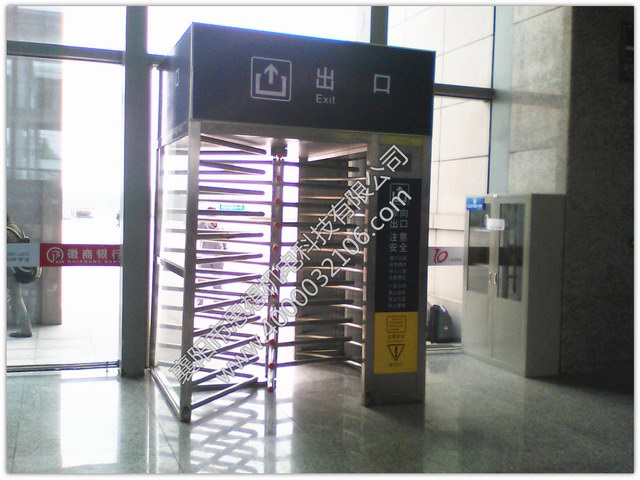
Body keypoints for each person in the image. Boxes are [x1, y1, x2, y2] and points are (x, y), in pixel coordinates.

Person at [6, 216, 33, 338]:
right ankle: (25, 328)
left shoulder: (6, 232)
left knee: (15, 299)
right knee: (15, 298)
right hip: (15, 269)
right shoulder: (16, 228)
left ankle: (25, 329)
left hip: (9, 270)